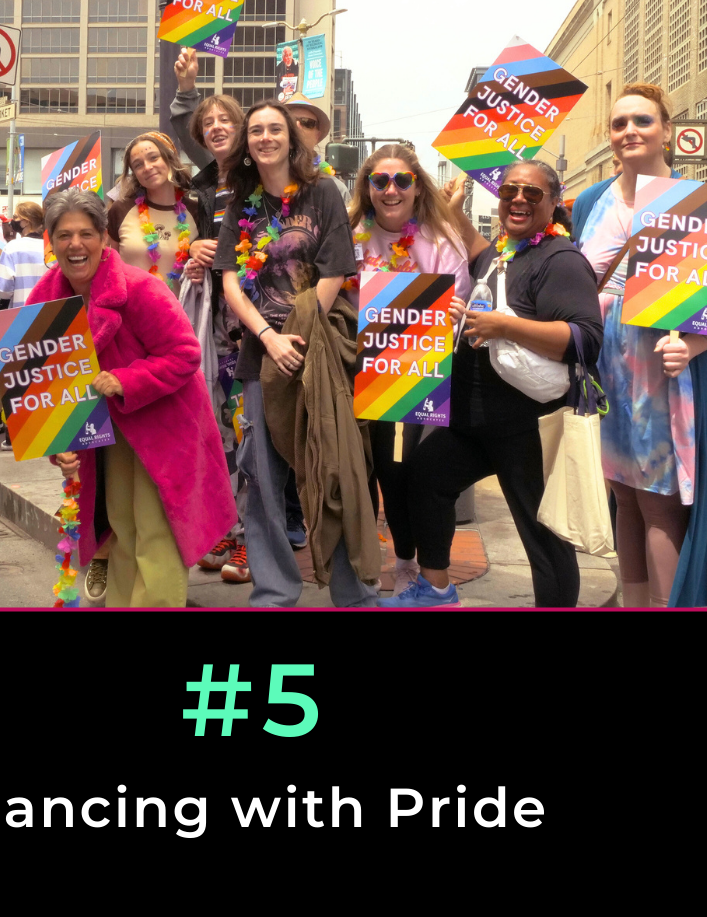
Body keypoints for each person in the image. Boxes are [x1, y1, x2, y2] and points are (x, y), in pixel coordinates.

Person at [571, 83, 707, 607]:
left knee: (659, 507)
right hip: (608, 378)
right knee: (624, 500)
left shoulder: (699, 205)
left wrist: (695, 348)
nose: (629, 131)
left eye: (642, 121)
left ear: (666, 131)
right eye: (619, 123)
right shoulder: (590, 203)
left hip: (667, 382)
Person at [395, 160, 602, 608]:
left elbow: (586, 339)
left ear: (553, 202)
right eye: (510, 192)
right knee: (426, 477)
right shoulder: (500, 252)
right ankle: (434, 588)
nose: (519, 200)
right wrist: (454, 207)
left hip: (525, 427)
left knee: (542, 533)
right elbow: (470, 242)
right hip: (470, 423)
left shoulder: (561, 260)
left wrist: (504, 326)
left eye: (532, 193)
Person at [33, 189, 236, 607]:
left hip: (162, 427)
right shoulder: (43, 302)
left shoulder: (140, 287)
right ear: (50, 240)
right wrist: (60, 445)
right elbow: (41, 384)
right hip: (104, 435)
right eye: (64, 234)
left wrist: (126, 380)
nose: (76, 244)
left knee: (155, 534)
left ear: (104, 237)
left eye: (86, 233)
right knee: (120, 528)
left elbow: (185, 354)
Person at [215, 100, 379, 607]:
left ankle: (353, 593)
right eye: (256, 130)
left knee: (332, 469)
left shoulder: (322, 191)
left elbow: (335, 270)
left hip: (316, 351)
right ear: (248, 143)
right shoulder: (239, 198)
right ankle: (274, 590)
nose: (265, 137)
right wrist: (269, 337)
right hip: (260, 355)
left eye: (275, 129)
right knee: (262, 480)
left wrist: (299, 336)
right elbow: (229, 280)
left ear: (292, 139)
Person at [344, 144, 475, 595]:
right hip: (361, 370)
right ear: (368, 188)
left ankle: (415, 564)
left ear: (418, 187)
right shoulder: (350, 238)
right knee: (379, 471)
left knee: (408, 469)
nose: (391, 189)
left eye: (402, 180)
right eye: (380, 181)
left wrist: (456, 310)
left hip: (421, 372)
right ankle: (394, 558)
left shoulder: (440, 241)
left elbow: (458, 301)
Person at [169, 52, 256, 584]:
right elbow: (179, 130)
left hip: (255, 320)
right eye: (209, 123)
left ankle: (252, 538)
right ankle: (227, 527)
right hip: (212, 324)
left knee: (251, 433)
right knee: (220, 428)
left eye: (227, 121)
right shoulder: (204, 184)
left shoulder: (256, 178)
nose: (216, 128)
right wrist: (197, 245)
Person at [107, 131, 197, 298]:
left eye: (154, 157)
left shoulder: (197, 212)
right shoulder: (120, 210)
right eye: (138, 165)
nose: (147, 167)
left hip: (181, 317)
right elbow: (107, 269)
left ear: (169, 159)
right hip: (132, 316)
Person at [0, 200, 47, 310]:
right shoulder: (52, 248)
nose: (13, 221)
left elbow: (4, 290)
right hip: (49, 311)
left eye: (16, 217)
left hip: (21, 312)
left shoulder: (12, 248)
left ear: (26, 222)